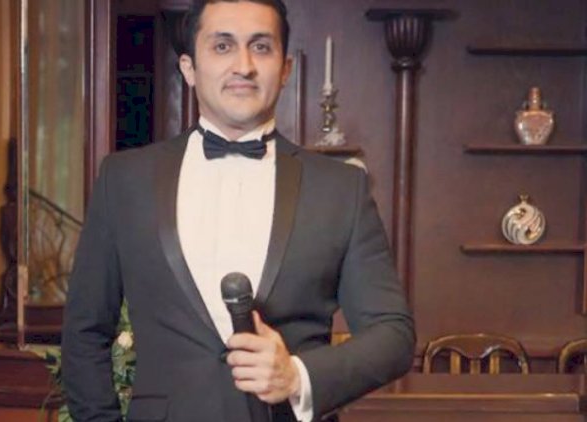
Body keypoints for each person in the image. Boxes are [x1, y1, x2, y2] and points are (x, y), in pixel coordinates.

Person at [62, 1, 415, 421]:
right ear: (189, 68)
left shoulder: (342, 188)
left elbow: (393, 335)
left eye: (261, 47)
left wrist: (298, 377)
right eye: (223, 46)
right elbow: (84, 332)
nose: (243, 66)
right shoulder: (124, 180)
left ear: (285, 70)